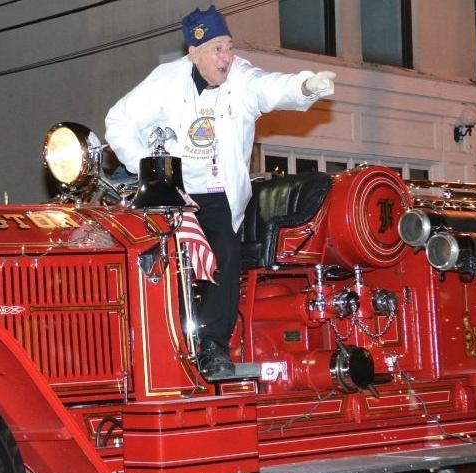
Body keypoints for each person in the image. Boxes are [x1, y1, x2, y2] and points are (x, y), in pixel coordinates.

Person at [105, 5, 335, 378]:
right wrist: (146, 167)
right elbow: (119, 120)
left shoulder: (241, 78)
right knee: (156, 260)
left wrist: (305, 86)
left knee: (224, 250)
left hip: (215, 192)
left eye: (228, 47)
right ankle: (156, 341)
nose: (226, 57)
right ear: (193, 53)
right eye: (216, 49)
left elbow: (270, 87)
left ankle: (213, 346)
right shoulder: (166, 81)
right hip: (170, 191)